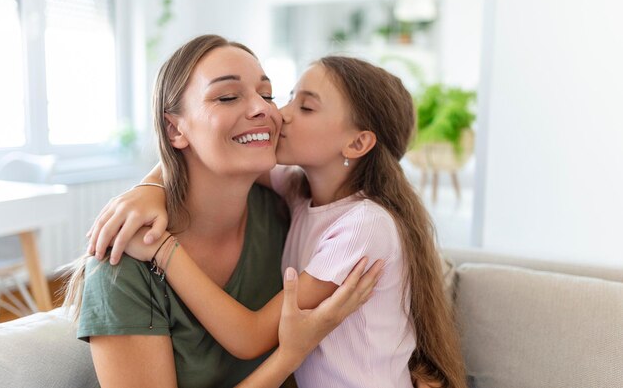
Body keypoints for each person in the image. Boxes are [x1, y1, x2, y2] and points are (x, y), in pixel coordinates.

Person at [88, 53, 466, 387]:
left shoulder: (361, 224)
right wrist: (146, 189)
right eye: (283, 99)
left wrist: (163, 248)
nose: (275, 113)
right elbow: (192, 159)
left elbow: (250, 337)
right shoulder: (300, 193)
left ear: (356, 144)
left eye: (305, 107)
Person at [64, 34, 383, 388]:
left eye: (267, 94)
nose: (265, 109)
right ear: (175, 128)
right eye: (228, 96)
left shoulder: (284, 212)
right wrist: (288, 357)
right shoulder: (124, 261)